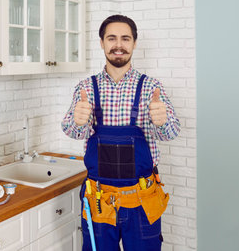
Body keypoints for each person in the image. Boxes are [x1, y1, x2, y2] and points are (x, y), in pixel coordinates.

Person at [61, 14, 180, 251]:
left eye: (125, 39)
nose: (118, 45)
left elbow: (171, 133)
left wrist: (162, 121)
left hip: (142, 200)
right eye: (111, 38)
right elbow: (72, 131)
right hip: (98, 201)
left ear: (134, 43)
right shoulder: (86, 88)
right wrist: (78, 120)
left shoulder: (151, 87)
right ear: (102, 43)